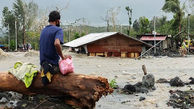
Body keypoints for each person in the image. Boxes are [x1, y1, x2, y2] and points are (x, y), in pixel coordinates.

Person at [39, 11, 71, 85]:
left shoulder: (43, 31)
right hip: (53, 67)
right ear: (57, 21)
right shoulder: (58, 30)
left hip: (42, 66)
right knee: (68, 69)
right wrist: (63, 57)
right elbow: (57, 43)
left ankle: (46, 69)